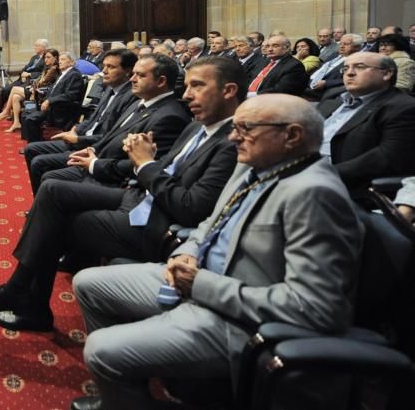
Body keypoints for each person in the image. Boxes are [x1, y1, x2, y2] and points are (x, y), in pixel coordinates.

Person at [72, 95, 364, 410]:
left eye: (246, 128)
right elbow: (211, 222)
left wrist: (200, 284)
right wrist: (188, 251)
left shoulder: (314, 193)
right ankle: (128, 392)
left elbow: (316, 308)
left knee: (102, 349)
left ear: (292, 135)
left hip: (238, 320)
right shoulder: (252, 166)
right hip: (198, 278)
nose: (233, 137)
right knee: (88, 283)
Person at [0, 57, 242, 334]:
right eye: (188, 85)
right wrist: (131, 162)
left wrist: (144, 164)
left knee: (55, 218)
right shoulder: (196, 127)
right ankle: (24, 297)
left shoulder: (232, 142)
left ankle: (23, 297)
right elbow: (160, 165)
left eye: (197, 86)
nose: (186, 94)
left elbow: (189, 207)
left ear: (229, 90)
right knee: (52, 192)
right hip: (139, 196)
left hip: (157, 222)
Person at [29, 55, 191, 197]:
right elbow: (109, 131)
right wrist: (89, 146)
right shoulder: (139, 101)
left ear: (161, 81)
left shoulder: (167, 115)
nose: (133, 79)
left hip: (115, 176)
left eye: (139, 75)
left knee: (48, 179)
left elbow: (146, 163)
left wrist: (91, 156)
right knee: (44, 171)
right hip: (98, 154)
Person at [23, 49, 138, 190]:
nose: (104, 71)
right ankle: (42, 202)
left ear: (127, 71)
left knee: (40, 163)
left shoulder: (131, 97)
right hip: (81, 137)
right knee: (31, 149)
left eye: (111, 67)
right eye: (104, 66)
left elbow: (111, 136)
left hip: (93, 146)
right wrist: (76, 129)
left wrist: (78, 140)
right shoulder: (110, 89)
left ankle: (44, 204)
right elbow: (93, 118)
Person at [318, 51, 415, 191]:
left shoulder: (404, 108)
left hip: (346, 187)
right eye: (345, 69)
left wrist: (320, 174)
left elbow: (386, 158)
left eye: (360, 67)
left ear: (387, 73)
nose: (349, 73)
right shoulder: (333, 100)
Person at [19, 52, 86, 142]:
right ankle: (36, 140)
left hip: (61, 109)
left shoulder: (74, 75)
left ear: (72, 62)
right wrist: (42, 92)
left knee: (31, 118)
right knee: (25, 113)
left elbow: (70, 95)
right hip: (53, 106)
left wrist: (49, 101)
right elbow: (54, 89)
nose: (60, 62)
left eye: (63, 59)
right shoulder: (64, 73)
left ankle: (33, 144)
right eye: (59, 60)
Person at [0, 49, 59, 132]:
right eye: (45, 57)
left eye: (48, 57)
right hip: (35, 89)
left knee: (14, 89)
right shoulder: (48, 67)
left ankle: (6, 111)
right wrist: (32, 86)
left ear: (55, 58)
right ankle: (16, 123)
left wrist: (33, 87)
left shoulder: (53, 69)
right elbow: (38, 80)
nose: (46, 59)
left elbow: (43, 83)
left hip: (40, 94)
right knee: (15, 97)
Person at [0, 39, 48, 117]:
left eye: (37, 46)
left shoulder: (46, 58)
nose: (34, 47)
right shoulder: (34, 57)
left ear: (43, 47)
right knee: (5, 89)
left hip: (31, 81)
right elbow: (26, 67)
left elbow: (42, 73)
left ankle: (10, 113)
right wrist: (23, 73)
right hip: (22, 79)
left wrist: (29, 74)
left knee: (15, 93)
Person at [306, 32, 361, 102]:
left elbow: (352, 79)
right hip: (309, 84)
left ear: (357, 47)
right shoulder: (335, 55)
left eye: (346, 44)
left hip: (322, 91)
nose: (341, 46)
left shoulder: (356, 60)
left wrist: (326, 83)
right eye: (340, 43)